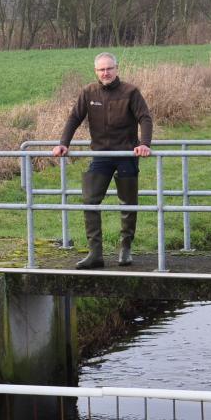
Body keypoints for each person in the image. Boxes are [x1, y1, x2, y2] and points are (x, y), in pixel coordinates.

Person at [51, 52, 153, 269]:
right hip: (101, 155)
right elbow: (74, 118)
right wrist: (63, 143)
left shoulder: (130, 92)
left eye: (109, 68)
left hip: (126, 155)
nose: (105, 73)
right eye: (101, 69)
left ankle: (125, 248)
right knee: (90, 201)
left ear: (117, 69)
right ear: (96, 71)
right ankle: (95, 254)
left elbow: (145, 117)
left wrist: (144, 144)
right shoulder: (89, 92)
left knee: (128, 203)